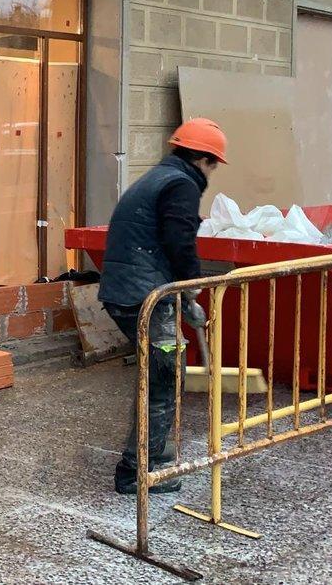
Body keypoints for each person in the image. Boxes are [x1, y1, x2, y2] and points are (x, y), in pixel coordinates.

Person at [98, 117, 227, 495]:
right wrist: (192, 292)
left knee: (158, 375)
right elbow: (179, 242)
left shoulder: (159, 177)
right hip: (144, 296)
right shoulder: (180, 185)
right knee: (164, 379)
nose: (213, 171)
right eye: (213, 163)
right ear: (203, 159)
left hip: (127, 291)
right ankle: (137, 470)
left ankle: (150, 450)